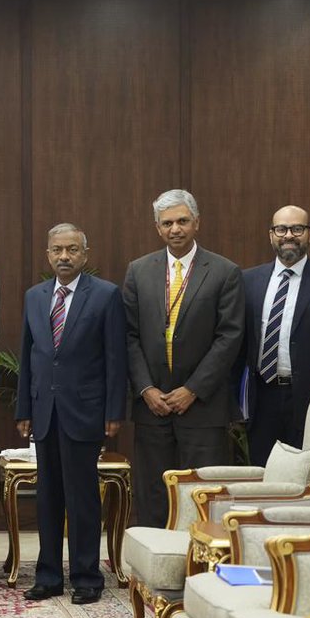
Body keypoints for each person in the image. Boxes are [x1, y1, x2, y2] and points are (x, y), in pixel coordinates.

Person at [16, 223, 126, 605]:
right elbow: (28, 356)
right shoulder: (35, 296)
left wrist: (114, 411)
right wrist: (24, 409)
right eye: (57, 250)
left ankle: (86, 577)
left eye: (72, 249)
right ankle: (48, 576)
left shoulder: (106, 295)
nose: (64, 256)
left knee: (82, 498)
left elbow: (115, 358)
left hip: (85, 411)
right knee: (47, 496)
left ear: (85, 254)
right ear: (48, 254)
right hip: (44, 412)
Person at [123, 189, 244, 529]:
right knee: (154, 494)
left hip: (203, 407)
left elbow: (229, 337)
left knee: (202, 496)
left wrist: (192, 389)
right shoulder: (138, 271)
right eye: (167, 223)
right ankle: (155, 557)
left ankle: (201, 560)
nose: (175, 229)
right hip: (153, 406)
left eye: (182, 221)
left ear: (196, 223)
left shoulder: (224, 271)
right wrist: (146, 389)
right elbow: (128, 336)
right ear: (157, 228)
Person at [240, 206, 310, 466]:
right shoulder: (248, 280)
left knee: (305, 473)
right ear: (271, 235)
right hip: (261, 397)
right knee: (261, 472)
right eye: (281, 229)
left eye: (297, 229)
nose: (288, 235)